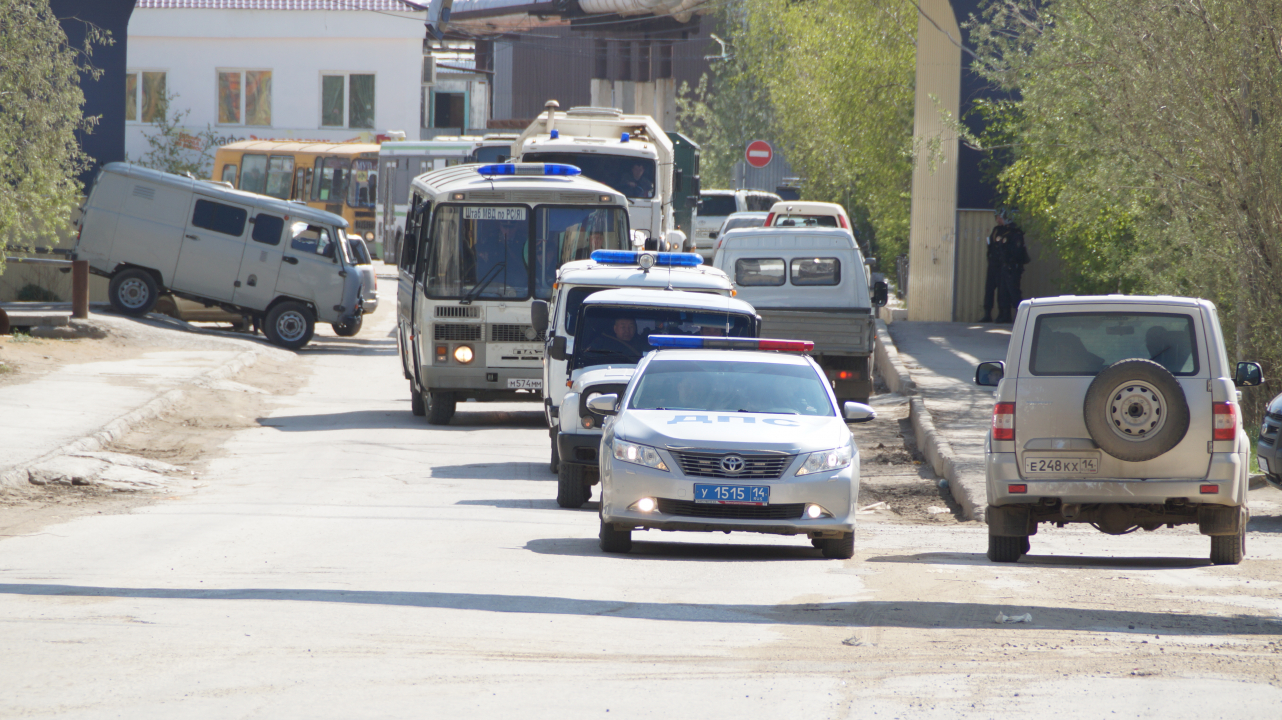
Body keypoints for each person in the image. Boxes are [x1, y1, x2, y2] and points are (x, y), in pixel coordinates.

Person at [996, 210, 1030, 323]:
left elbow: (1016, 252)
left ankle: (1020, 317)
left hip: (1013, 267)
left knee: (1014, 292)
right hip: (1006, 267)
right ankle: (1006, 316)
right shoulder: (1006, 232)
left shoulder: (1016, 234)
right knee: (1004, 292)